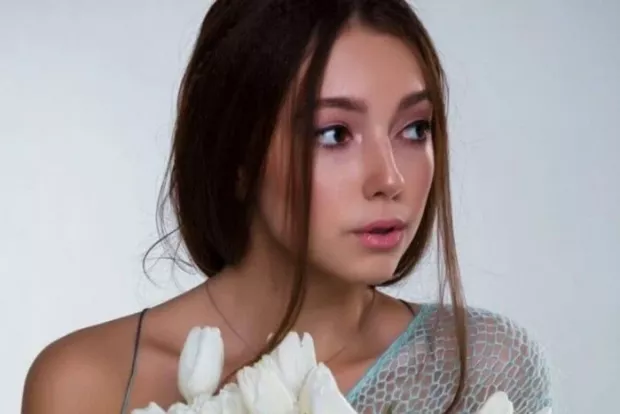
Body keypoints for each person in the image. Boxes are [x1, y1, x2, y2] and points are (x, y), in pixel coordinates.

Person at [21, 0, 553, 413]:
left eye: (415, 129)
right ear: (237, 157)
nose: (390, 178)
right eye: (335, 133)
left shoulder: (485, 371)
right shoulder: (86, 384)